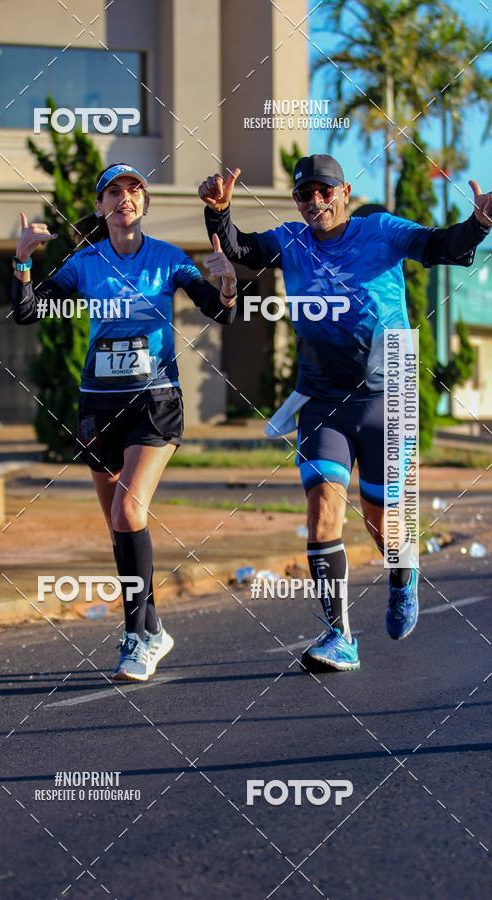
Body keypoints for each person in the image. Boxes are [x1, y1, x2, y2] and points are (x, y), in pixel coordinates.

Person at [199, 154, 492, 672]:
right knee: (322, 511)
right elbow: (242, 247)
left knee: (383, 523)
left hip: (389, 392)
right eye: (304, 194)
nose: (315, 201)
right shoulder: (292, 241)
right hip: (322, 399)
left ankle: (403, 574)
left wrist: (479, 224)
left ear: (345, 192)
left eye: (323, 191)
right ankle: (339, 636)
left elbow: (438, 246)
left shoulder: (380, 230)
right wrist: (220, 213)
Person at [12, 163, 238, 681]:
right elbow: (29, 312)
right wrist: (22, 262)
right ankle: (152, 626)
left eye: (134, 191)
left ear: (144, 204)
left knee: (129, 510)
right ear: (100, 206)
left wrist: (226, 288)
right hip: (98, 403)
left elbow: (218, 310)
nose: (124, 199)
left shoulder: (169, 260)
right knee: (119, 524)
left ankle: (136, 638)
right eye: (114, 191)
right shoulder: (85, 263)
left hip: (154, 399)